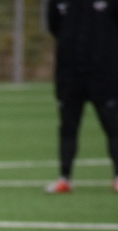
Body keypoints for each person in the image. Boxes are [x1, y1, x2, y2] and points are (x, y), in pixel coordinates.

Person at [44, 0, 118, 194]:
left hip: (104, 75)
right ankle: (65, 178)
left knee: (113, 125)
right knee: (68, 127)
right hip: (69, 75)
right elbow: (54, 26)